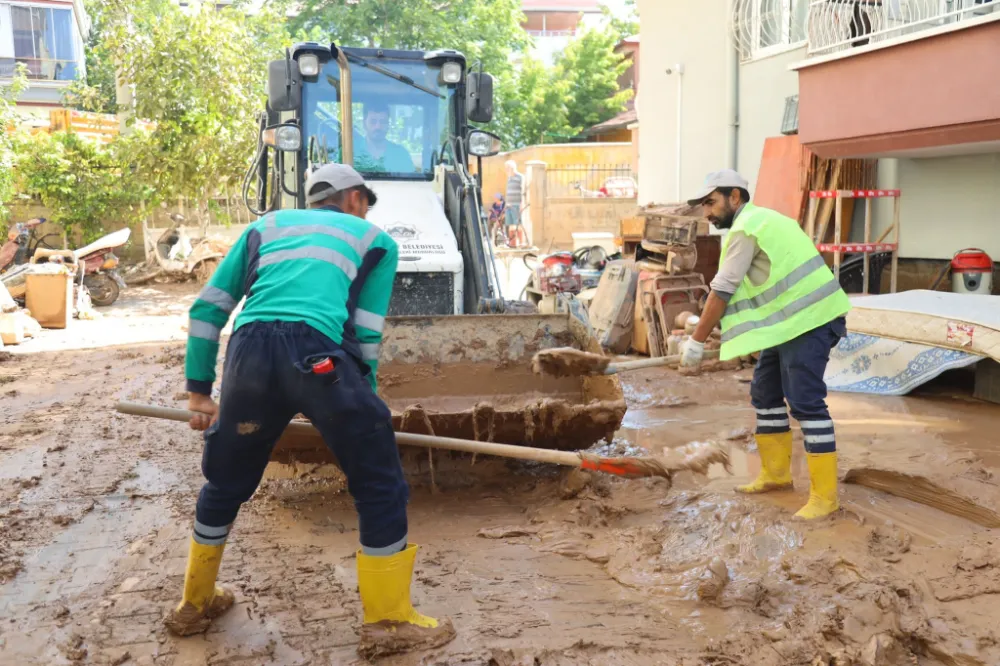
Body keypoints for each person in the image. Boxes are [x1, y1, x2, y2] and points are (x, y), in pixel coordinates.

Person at [167, 163, 456, 658]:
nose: (366, 210)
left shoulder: (264, 228)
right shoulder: (376, 240)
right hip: (319, 356)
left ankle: (194, 603)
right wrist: (359, 405)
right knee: (378, 480)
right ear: (352, 199)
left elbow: (207, 309)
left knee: (225, 481)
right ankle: (388, 622)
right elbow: (364, 332)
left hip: (249, 355)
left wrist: (200, 393)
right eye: (366, 200)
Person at [681, 169, 851, 520]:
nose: (707, 213)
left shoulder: (747, 228)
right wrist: (716, 330)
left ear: (735, 197)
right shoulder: (762, 222)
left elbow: (723, 290)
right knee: (765, 393)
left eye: (711, 203)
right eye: (703, 206)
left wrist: (695, 341)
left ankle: (825, 497)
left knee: (805, 401)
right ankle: (776, 475)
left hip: (811, 320)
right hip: (789, 324)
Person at [355, 102, 416, 174]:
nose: (378, 127)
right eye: (373, 121)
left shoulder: (401, 154)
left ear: (388, 125)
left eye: (383, 121)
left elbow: (411, 182)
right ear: (364, 124)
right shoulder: (350, 151)